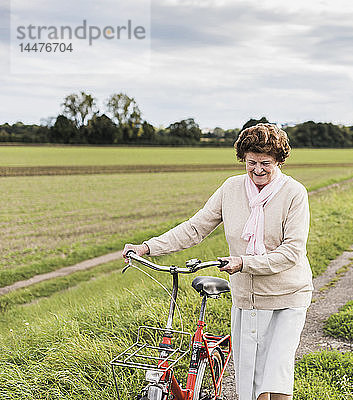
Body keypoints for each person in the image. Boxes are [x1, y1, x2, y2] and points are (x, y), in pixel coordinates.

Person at [122, 123, 313, 400]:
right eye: (251, 162)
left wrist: (244, 263)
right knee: (249, 378)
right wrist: (147, 247)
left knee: (275, 374)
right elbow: (194, 228)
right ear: (242, 160)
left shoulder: (294, 193)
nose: (258, 170)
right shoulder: (231, 189)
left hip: (288, 297)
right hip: (246, 298)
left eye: (265, 163)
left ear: (279, 161)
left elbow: (292, 252)